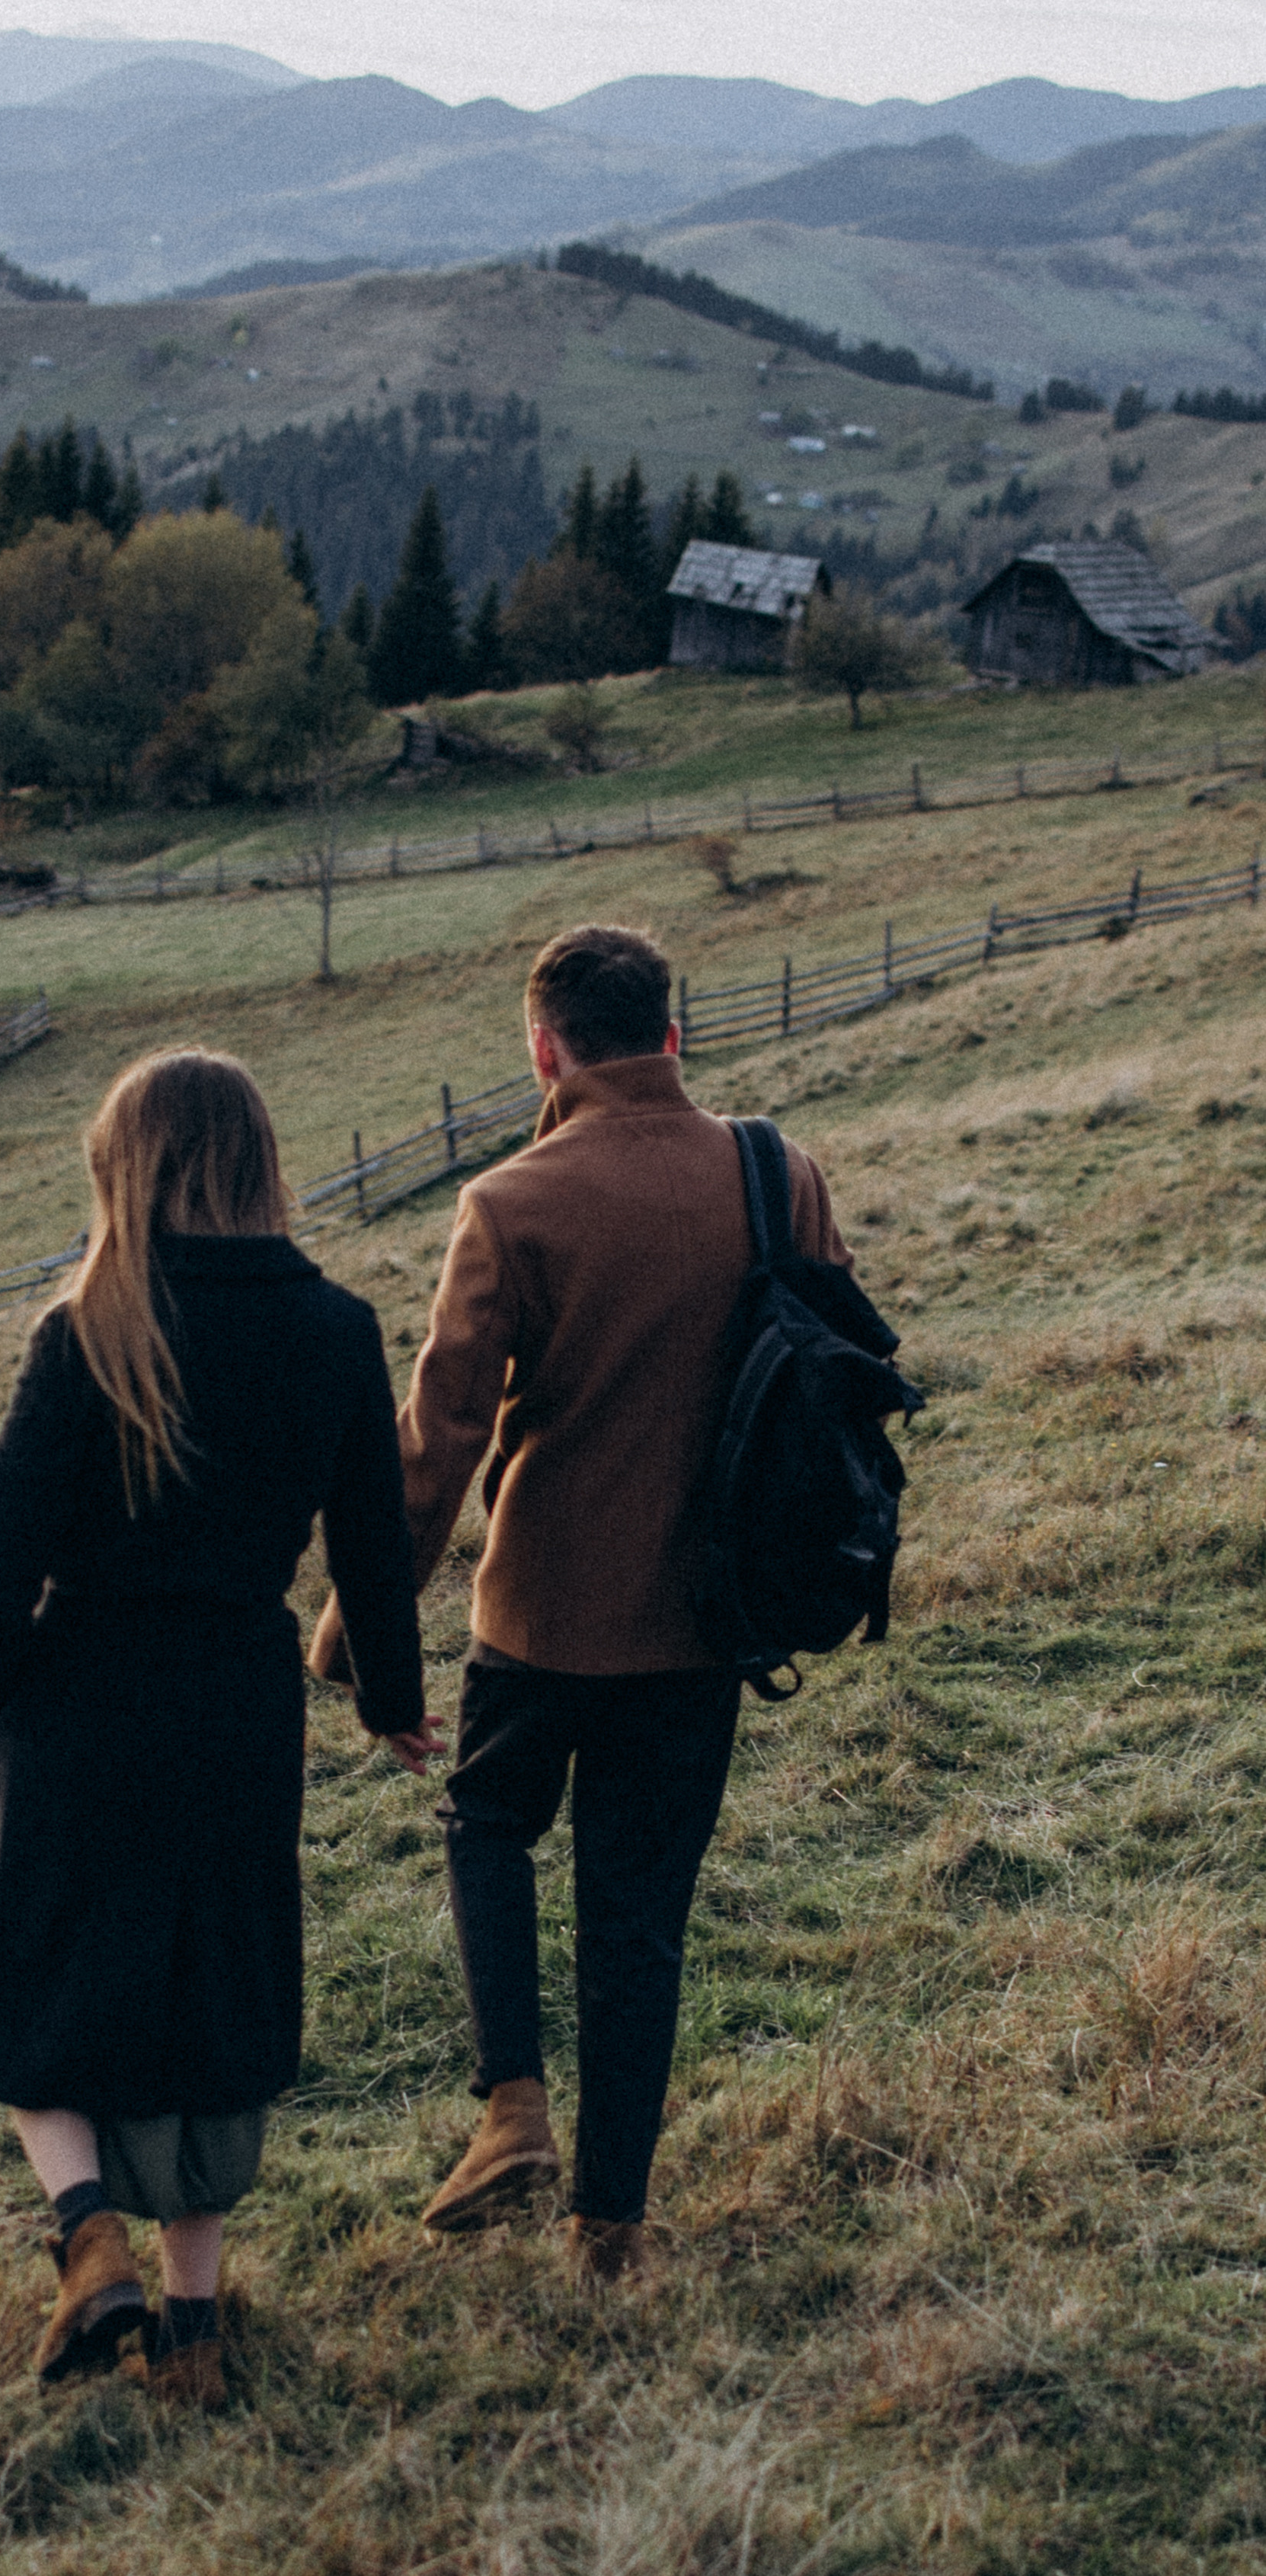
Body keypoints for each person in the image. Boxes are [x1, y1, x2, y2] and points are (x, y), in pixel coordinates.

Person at [310, 924, 850, 2282]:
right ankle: (610, 2228)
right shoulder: (775, 1173)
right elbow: (832, 1382)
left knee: (486, 1821)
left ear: (543, 1048)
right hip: (705, 1619)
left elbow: (432, 1442)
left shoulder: (509, 1203)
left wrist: (351, 1634)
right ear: (670, 1032)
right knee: (637, 1914)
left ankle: (512, 2109)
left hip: (538, 1616)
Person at [0, 1048, 439, 2404]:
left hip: (82, 1702)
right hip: (236, 1700)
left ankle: (85, 2232)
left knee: (36, 1989)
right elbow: (375, 1551)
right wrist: (392, 1707)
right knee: (211, 1994)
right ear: (257, 1160)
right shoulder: (334, 1328)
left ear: (130, 1166)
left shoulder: (87, 1328)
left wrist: (2, 1689)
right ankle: (192, 2330)